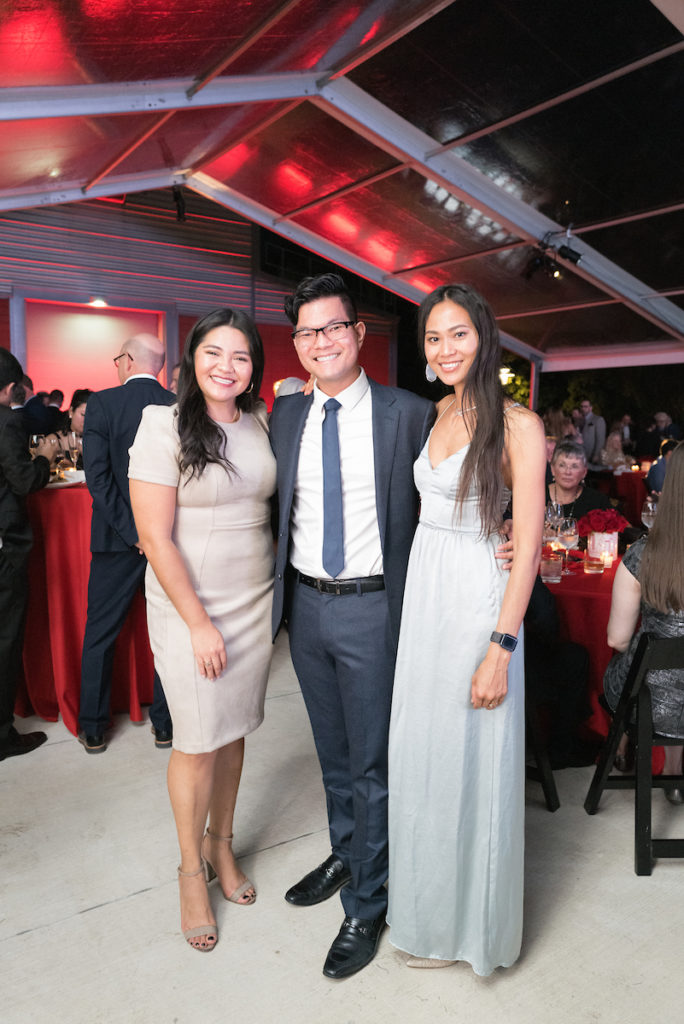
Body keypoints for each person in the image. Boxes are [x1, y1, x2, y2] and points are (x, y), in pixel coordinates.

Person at [269, 272, 436, 979]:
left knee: (371, 761)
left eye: (334, 326)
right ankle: (348, 852)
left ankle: (368, 901)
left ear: (359, 333)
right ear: (298, 344)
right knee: (332, 753)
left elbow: (448, 503)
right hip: (305, 605)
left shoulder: (410, 414)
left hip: (373, 606)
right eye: (307, 332)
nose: (321, 341)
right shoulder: (285, 416)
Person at [387, 283, 545, 975]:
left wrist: (501, 649)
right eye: (433, 337)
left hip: (478, 601)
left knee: (470, 761)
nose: (445, 348)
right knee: (425, 757)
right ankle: (427, 916)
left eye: (458, 334)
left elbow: (529, 544)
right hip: (427, 596)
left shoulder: (518, 425)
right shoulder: (440, 410)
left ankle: (470, 931)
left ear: (484, 339)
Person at [129, 308, 275, 952]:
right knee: (195, 739)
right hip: (190, 607)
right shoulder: (161, 424)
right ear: (191, 359)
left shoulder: (259, 422)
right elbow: (154, 537)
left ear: (254, 368)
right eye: (214, 352)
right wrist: (197, 623)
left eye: (241, 356)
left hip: (253, 601)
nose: (227, 366)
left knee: (233, 729)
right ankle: (191, 871)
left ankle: (222, 845)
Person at [78, 333, 174, 753]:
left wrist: (134, 533)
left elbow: (97, 479)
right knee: (169, 632)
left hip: (117, 541)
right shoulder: (176, 404)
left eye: (118, 358)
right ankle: (165, 724)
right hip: (168, 540)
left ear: (129, 360)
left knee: (100, 633)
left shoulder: (102, 403)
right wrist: (153, 534)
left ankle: (93, 727)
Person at [604, 442, 684, 803]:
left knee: (638, 664)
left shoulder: (641, 555)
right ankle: (673, 774)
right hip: (670, 696)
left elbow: (617, 640)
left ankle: (623, 742)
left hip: (652, 702)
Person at [0, 350, 57, 760]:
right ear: (10, 388)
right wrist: (44, 460)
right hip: (4, 543)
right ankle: (3, 735)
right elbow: (22, 481)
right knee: (5, 638)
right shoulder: (6, 421)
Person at [547, 439, 611, 519]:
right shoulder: (538, 496)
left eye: (574, 466)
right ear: (553, 470)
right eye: (562, 465)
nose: (568, 472)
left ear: (584, 472)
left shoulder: (598, 501)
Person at [579, 398, 606, 465]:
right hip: (580, 455)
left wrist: (596, 454)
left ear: (591, 408)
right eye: (582, 406)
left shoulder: (598, 420)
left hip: (591, 456)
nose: (583, 408)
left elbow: (600, 440)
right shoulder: (579, 420)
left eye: (585, 406)